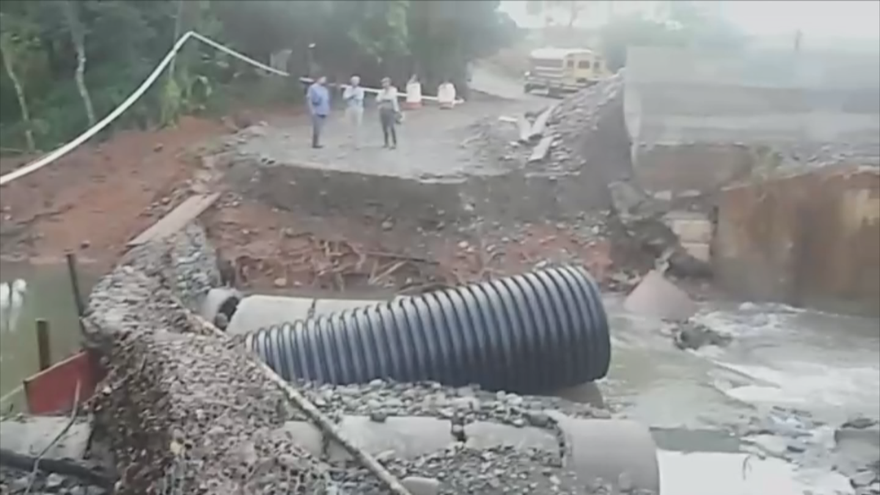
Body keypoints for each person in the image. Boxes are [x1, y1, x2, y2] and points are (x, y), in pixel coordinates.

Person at [376, 77, 400, 149]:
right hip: (383, 110)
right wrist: (383, 99)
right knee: (384, 128)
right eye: (383, 83)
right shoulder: (381, 92)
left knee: (392, 127)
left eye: (386, 83)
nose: (384, 84)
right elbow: (377, 99)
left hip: (390, 110)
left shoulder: (393, 90)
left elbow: (392, 98)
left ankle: (394, 143)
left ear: (389, 83)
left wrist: (397, 111)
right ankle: (386, 142)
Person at [306, 75, 330, 149]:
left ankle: (318, 141)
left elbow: (326, 100)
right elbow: (309, 99)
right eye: (323, 79)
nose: (324, 80)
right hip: (316, 110)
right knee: (316, 127)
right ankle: (315, 143)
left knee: (320, 127)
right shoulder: (313, 88)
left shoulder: (324, 89)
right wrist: (311, 109)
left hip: (324, 110)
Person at [342, 75, 365, 148]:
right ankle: (348, 143)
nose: (354, 82)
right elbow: (345, 97)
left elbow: (359, 98)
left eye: (356, 81)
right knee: (348, 125)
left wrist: (351, 96)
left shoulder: (360, 90)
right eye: (353, 81)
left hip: (358, 108)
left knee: (357, 126)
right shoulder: (348, 89)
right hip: (349, 107)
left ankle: (357, 143)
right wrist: (352, 96)